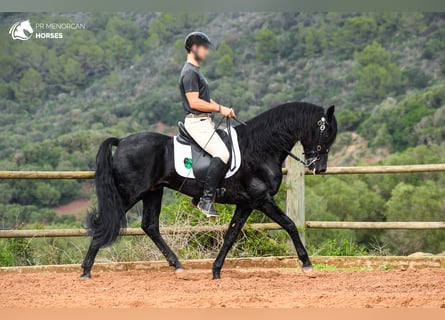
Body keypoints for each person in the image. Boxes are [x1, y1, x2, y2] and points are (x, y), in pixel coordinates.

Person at [179, 31, 236, 218]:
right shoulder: (189, 72)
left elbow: (203, 98)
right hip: (197, 123)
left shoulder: (196, 71)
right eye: (204, 48)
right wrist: (219, 108)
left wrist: (223, 108)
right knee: (222, 153)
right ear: (194, 48)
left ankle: (200, 194)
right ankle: (205, 200)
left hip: (206, 121)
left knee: (229, 144)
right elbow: (194, 102)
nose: (207, 52)